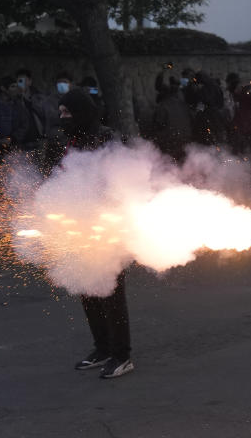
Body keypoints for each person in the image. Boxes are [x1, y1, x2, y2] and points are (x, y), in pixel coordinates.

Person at [58, 89, 135, 379]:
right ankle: (102, 348)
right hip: (80, 229)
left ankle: (122, 355)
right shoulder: (71, 141)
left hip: (109, 231)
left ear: (81, 112)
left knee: (111, 295)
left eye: (67, 113)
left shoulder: (107, 139)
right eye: (61, 112)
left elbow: (124, 181)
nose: (62, 118)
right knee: (87, 290)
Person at [152, 66, 194, 163]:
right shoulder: (183, 104)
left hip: (171, 141)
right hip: (185, 139)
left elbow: (158, 125)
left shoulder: (164, 106)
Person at [225, 72, 251, 156]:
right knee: (237, 155)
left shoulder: (246, 93)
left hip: (248, 130)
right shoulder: (229, 95)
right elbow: (229, 113)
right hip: (236, 131)